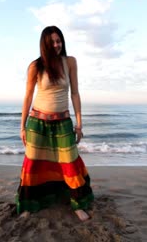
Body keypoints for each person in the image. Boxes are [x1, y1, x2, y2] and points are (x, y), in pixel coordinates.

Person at [16, 25, 94, 221]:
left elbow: (75, 93)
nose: (57, 45)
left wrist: (79, 124)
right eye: (52, 42)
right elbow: (27, 96)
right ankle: (28, 205)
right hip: (37, 123)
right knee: (33, 164)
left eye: (59, 41)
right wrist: (22, 127)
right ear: (45, 44)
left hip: (62, 123)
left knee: (69, 163)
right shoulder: (36, 66)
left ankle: (77, 205)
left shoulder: (70, 62)